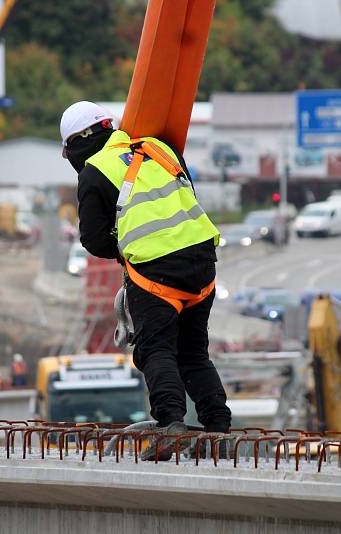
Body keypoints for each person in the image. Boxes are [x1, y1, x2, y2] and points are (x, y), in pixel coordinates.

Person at [60, 101, 231, 460]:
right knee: (193, 352)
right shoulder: (159, 148)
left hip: (156, 272)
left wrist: (128, 245)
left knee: (156, 349)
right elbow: (185, 196)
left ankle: (171, 429)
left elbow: (93, 240)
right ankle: (219, 430)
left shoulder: (94, 172)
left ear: (75, 144)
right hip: (203, 262)